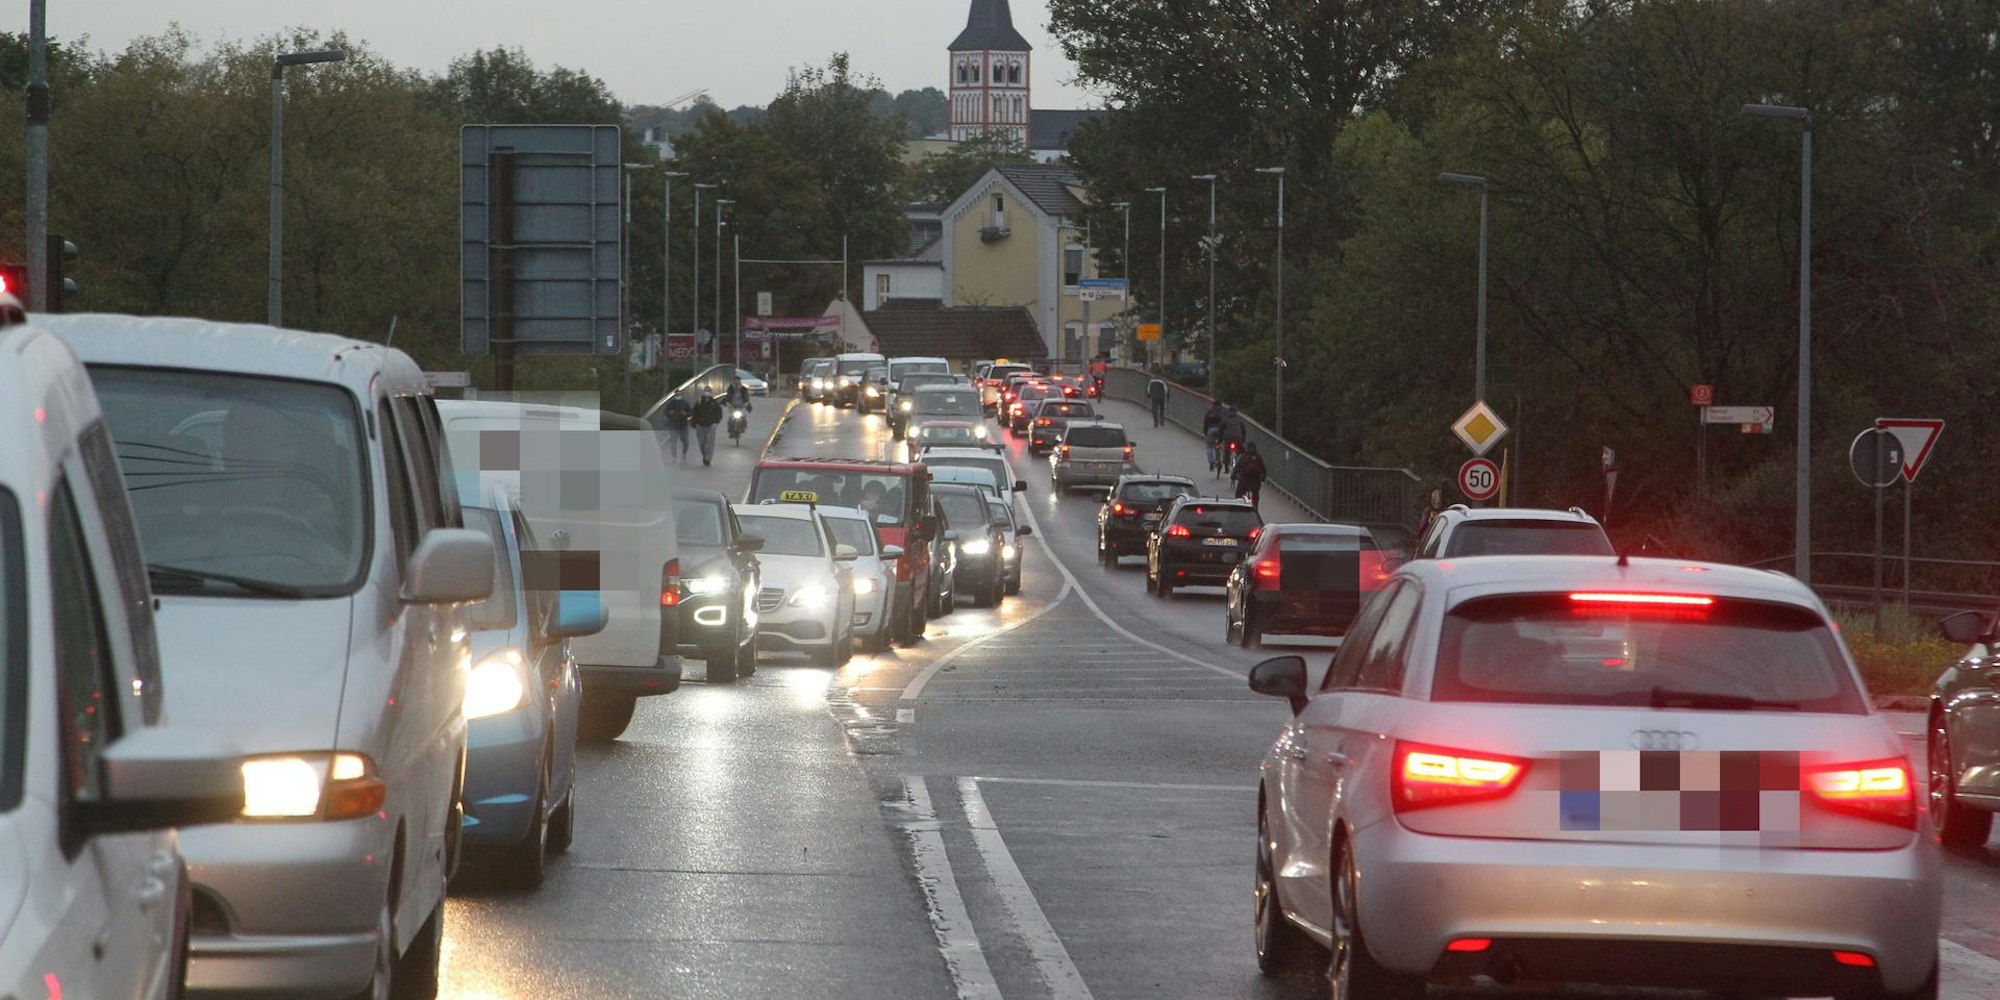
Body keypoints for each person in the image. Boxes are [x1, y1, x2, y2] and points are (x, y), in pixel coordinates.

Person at [692, 390, 723, 466]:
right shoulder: (699, 402)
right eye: (706, 391)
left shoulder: (715, 403)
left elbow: (719, 413)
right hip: (700, 425)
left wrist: (716, 422)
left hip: (711, 426)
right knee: (702, 443)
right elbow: (694, 413)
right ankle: (704, 454)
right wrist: (695, 424)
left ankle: (707, 458)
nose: (707, 393)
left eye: (709, 391)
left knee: (710, 443)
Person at [1232, 441, 1268, 509]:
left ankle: (1238, 507)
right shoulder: (1258, 457)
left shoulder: (1244, 456)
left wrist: (1233, 475)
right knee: (1255, 493)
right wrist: (1263, 479)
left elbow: (1237, 467)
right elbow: (1264, 469)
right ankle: (1255, 508)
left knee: (1239, 493)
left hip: (1245, 480)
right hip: (1256, 480)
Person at [661, 393, 693, 465]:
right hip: (673, 425)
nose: (678, 396)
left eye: (679, 394)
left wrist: (685, 414)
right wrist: (670, 413)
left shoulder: (685, 403)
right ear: (675, 395)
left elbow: (691, 412)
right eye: (677, 395)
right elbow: (665, 412)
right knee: (673, 442)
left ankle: (684, 454)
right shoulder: (671, 403)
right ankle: (674, 457)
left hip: (683, 425)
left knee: (685, 440)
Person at [1218, 405, 1247, 476]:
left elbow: (1221, 429)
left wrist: (1220, 440)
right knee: (1241, 452)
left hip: (1227, 438)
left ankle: (1226, 467)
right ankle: (1239, 467)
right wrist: (1243, 440)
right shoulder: (1239, 419)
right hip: (1238, 438)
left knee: (1227, 451)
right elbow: (1244, 430)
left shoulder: (1225, 419)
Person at [1202, 401, 1225, 475]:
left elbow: (1205, 422)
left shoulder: (1210, 411)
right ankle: (1219, 459)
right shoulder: (1223, 412)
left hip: (1211, 430)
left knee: (1209, 446)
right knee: (1220, 444)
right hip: (1220, 431)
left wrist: (1205, 432)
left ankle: (1212, 462)